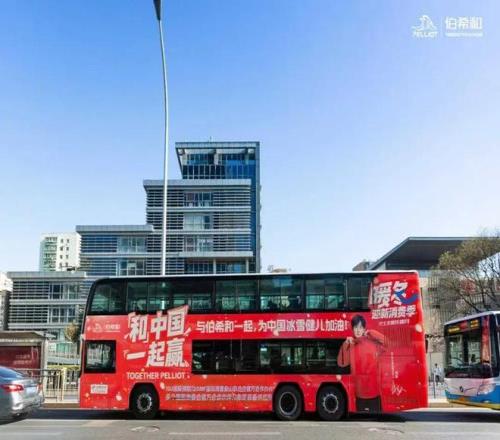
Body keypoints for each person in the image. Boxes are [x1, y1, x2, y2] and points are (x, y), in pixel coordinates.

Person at [337, 315, 386, 412]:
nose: (358, 330)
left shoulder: (373, 342)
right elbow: (342, 363)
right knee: (362, 415)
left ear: (364, 329)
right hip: (359, 394)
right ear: (352, 329)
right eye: (355, 327)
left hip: (375, 393)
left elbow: (388, 343)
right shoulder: (351, 344)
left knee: (376, 415)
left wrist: (371, 332)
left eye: (360, 327)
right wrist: (345, 344)